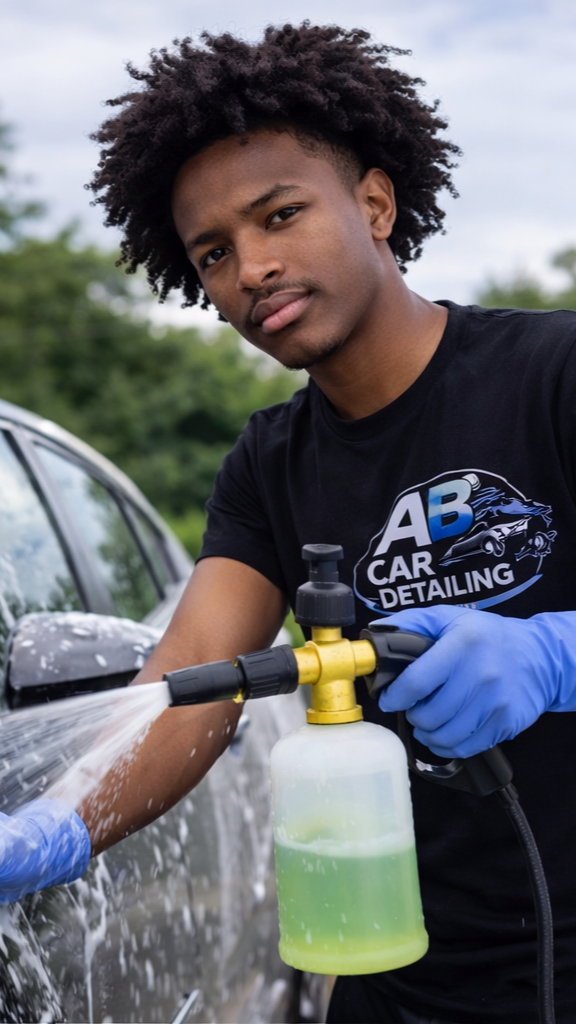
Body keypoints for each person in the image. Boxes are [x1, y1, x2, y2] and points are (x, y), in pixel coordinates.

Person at [9, 22, 576, 1023]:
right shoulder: (268, 464)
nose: (252, 269)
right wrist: (58, 825)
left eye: (279, 216)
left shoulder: (552, 373)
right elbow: (187, 683)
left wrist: (555, 655)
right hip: (396, 973)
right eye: (215, 253)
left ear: (374, 202)